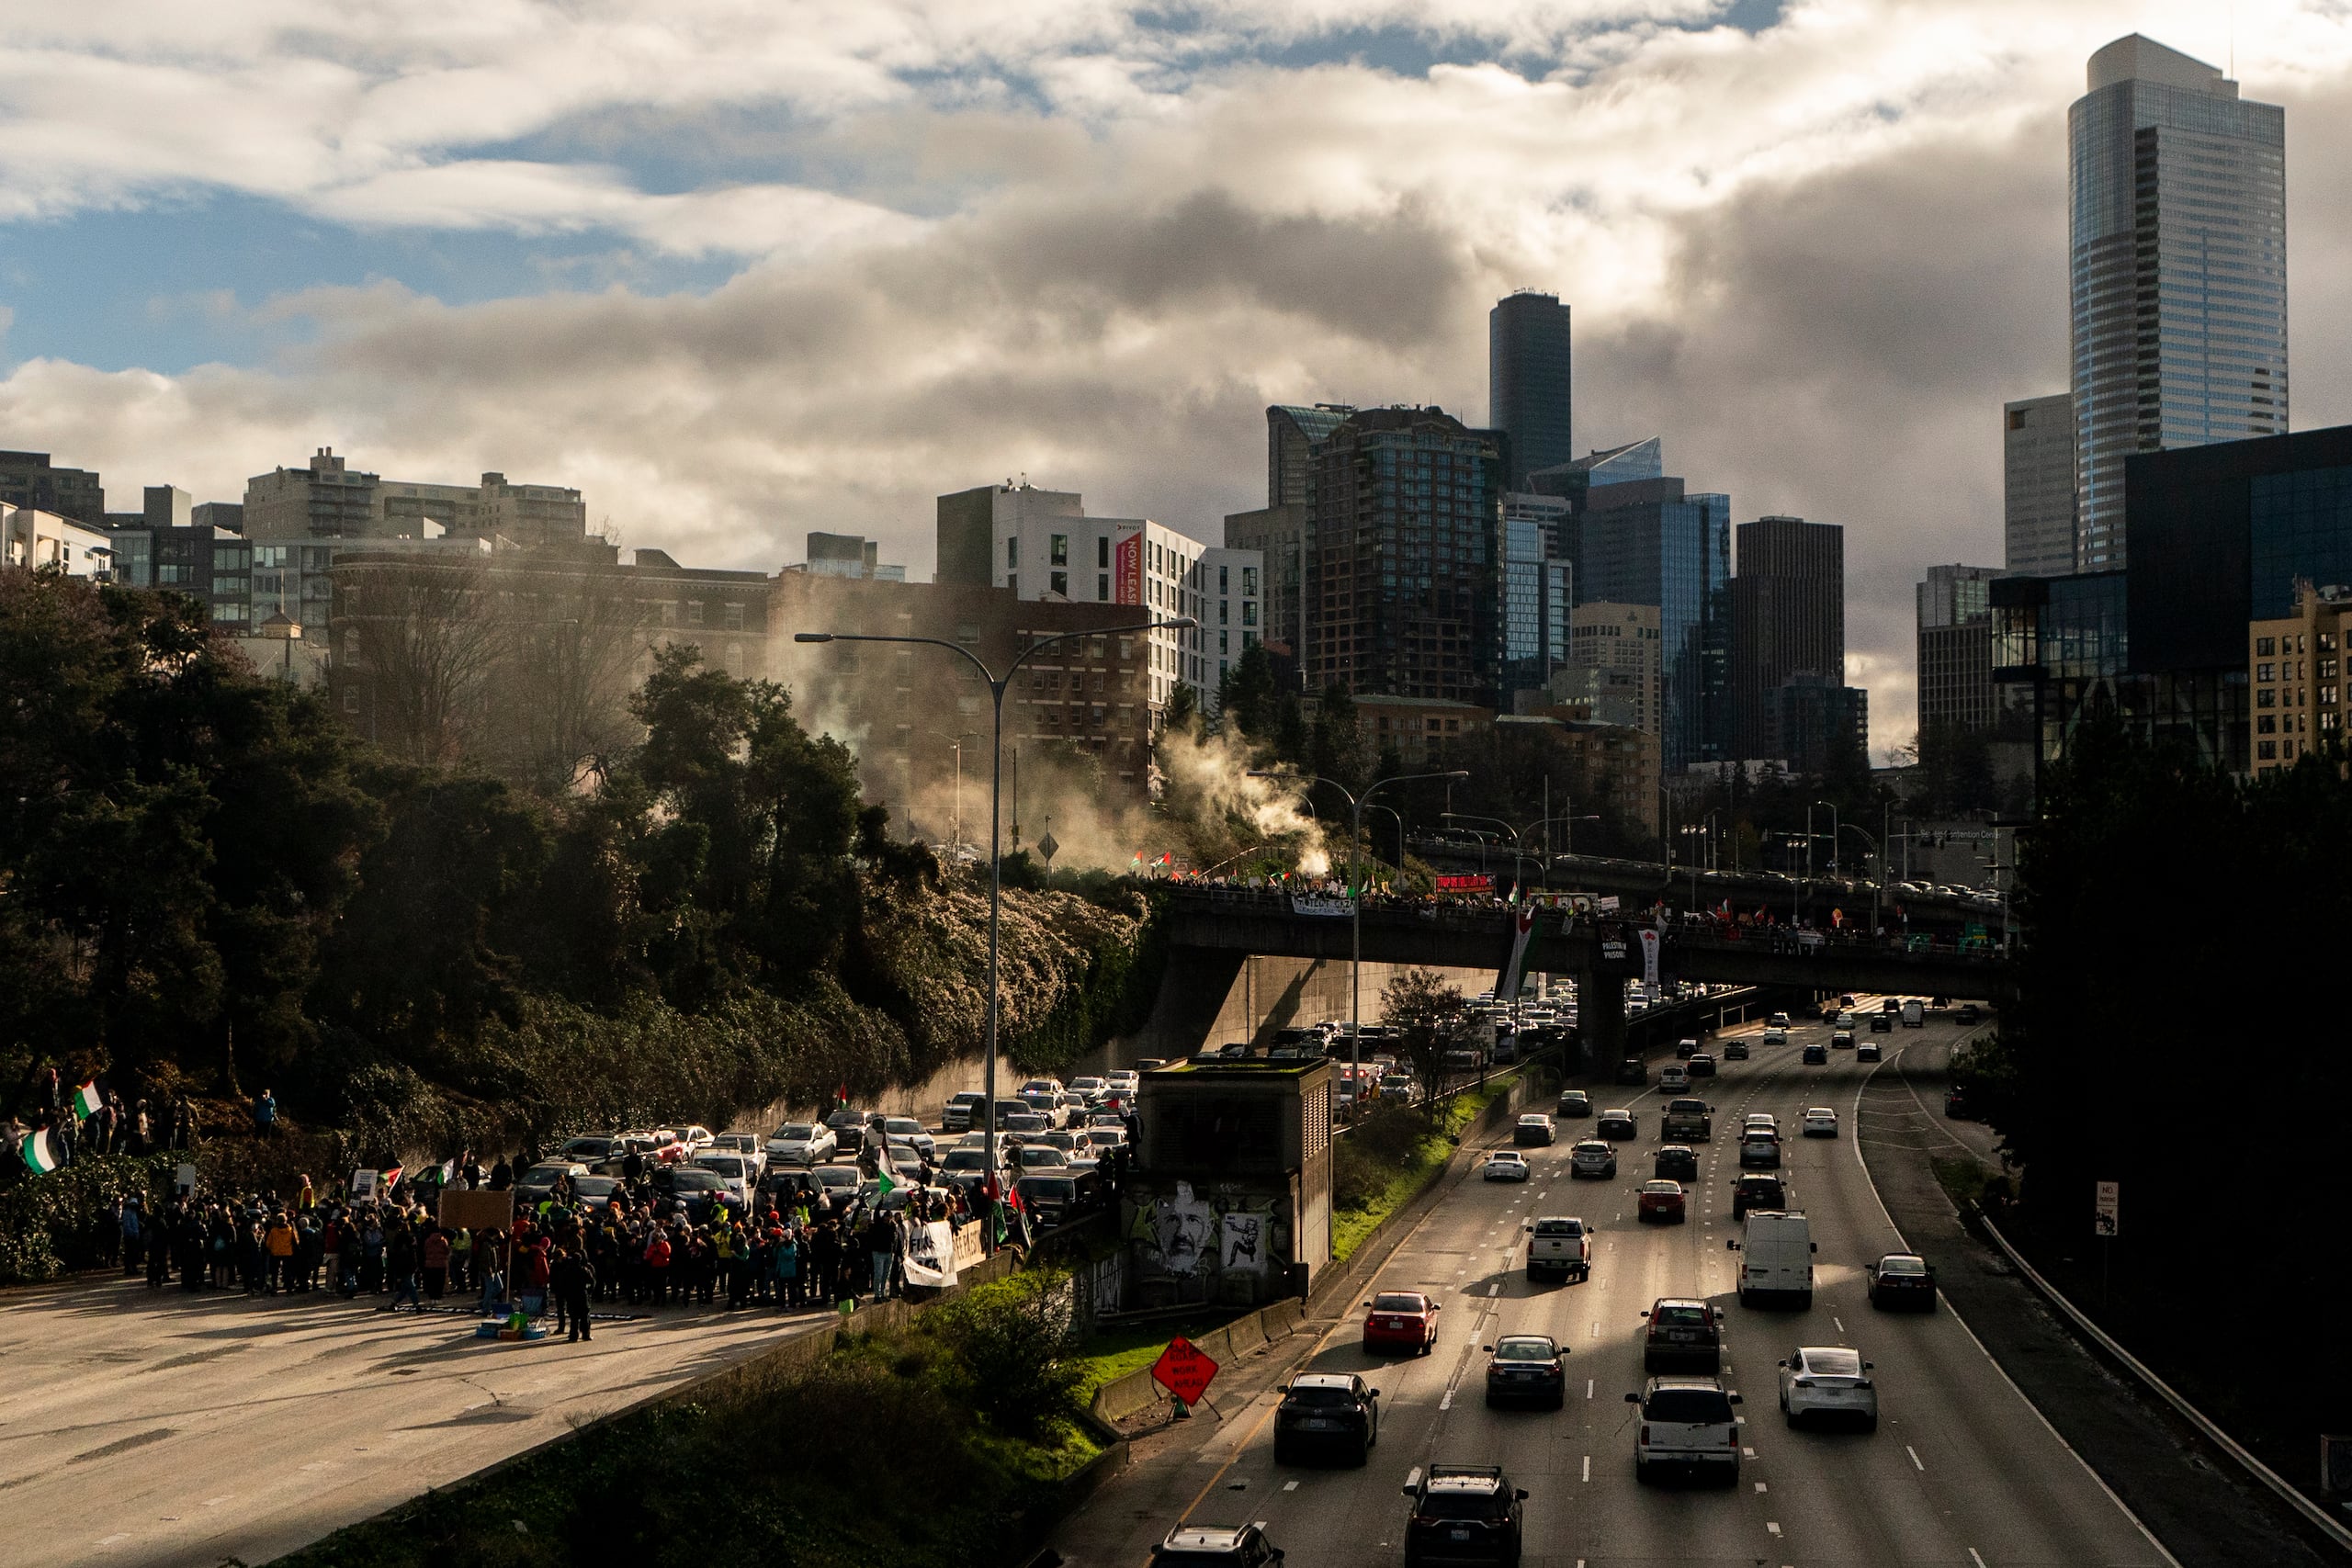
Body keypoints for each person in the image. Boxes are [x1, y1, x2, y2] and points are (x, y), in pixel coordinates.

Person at [552, 1246, 595, 1342]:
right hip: (582, 1294)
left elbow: (563, 1283)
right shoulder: (584, 1270)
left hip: (571, 1296)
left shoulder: (567, 1271)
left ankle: (573, 1336)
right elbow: (592, 1281)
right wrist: (589, 1291)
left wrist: (565, 1293)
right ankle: (586, 1334)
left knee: (574, 1317)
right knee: (585, 1316)